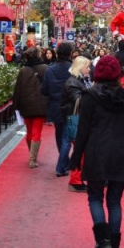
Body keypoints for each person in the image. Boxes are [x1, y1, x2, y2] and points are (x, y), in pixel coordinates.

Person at [69, 55, 124, 248]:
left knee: (95, 197)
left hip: (96, 151)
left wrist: (75, 158)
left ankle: (103, 240)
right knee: (115, 200)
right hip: (121, 152)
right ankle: (113, 241)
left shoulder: (90, 96)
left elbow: (83, 130)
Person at [40, 41, 73, 177]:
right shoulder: (72, 69)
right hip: (69, 106)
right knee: (67, 136)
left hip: (55, 106)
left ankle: (64, 161)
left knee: (60, 135)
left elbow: (44, 90)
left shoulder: (50, 70)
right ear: (69, 54)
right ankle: (62, 165)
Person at [12, 47, 48, 168]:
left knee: (29, 130)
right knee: (37, 131)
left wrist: (16, 106)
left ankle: (32, 155)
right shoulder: (44, 68)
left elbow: (17, 89)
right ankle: (32, 159)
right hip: (41, 104)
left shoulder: (23, 70)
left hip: (26, 104)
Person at [62, 56, 92, 192]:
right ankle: (75, 180)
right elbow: (78, 100)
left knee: (81, 151)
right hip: (78, 120)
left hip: (82, 119)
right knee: (80, 151)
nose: (89, 69)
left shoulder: (80, 80)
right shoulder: (73, 82)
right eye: (87, 67)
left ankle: (78, 178)